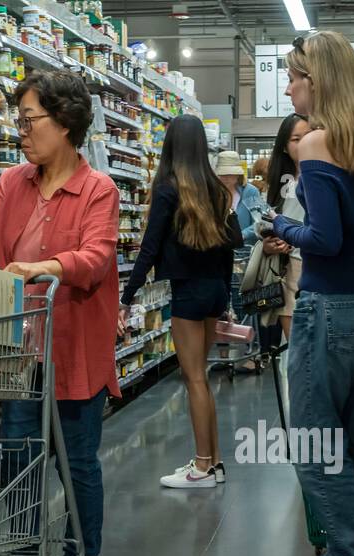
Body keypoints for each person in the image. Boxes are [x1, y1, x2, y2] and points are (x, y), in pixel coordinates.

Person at [0, 71, 119, 556]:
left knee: (76, 461)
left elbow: (97, 257)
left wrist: (44, 267)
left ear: (64, 122)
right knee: (19, 454)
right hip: (18, 348)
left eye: (29, 119)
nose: (20, 130)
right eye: (17, 121)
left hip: (74, 349)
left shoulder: (98, 190)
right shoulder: (12, 183)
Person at [269, 32, 354, 556]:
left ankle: (349, 555)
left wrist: (278, 226)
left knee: (314, 438)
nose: (290, 86)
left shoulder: (316, 145)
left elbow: (322, 237)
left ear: (318, 82)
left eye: (295, 76)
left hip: (329, 306)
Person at [120, 115, 242, 490]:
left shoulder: (169, 188)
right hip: (214, 290)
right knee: (201, 379)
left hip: (188, 293)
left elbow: (150, 248)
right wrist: (226, 298)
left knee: (194, 380)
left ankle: (203, 467)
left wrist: (127, 296)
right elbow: (229, 250)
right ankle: (215, 461)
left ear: (171, 145)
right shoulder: (217, 191)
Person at [261, 112, 309, 348]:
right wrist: (269, 244)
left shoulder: (323, 175)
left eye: (308, 136)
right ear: (284, 146)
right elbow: (270, 222)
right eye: (296, 139)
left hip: (317, 267)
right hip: (289, 269)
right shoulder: (282, 182)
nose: (303, 143)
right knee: (298, 352)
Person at [216, 150, 268, 246]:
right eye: (223, 174)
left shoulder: (250, 191)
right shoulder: (213, 192)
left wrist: (242, 235)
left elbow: (260, 221)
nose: (226, 177)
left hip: (245, 250)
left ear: (238, 174)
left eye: (230, 174)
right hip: (218, 249)